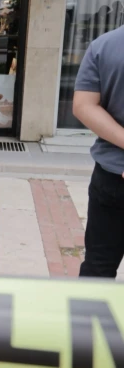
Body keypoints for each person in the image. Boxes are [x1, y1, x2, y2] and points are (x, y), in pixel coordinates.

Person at [73, 25, 124, 279]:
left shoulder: (104, 46)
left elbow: (83, 106)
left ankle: (88, 319)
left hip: (113, 175)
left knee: (98, 267)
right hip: (112, 176)